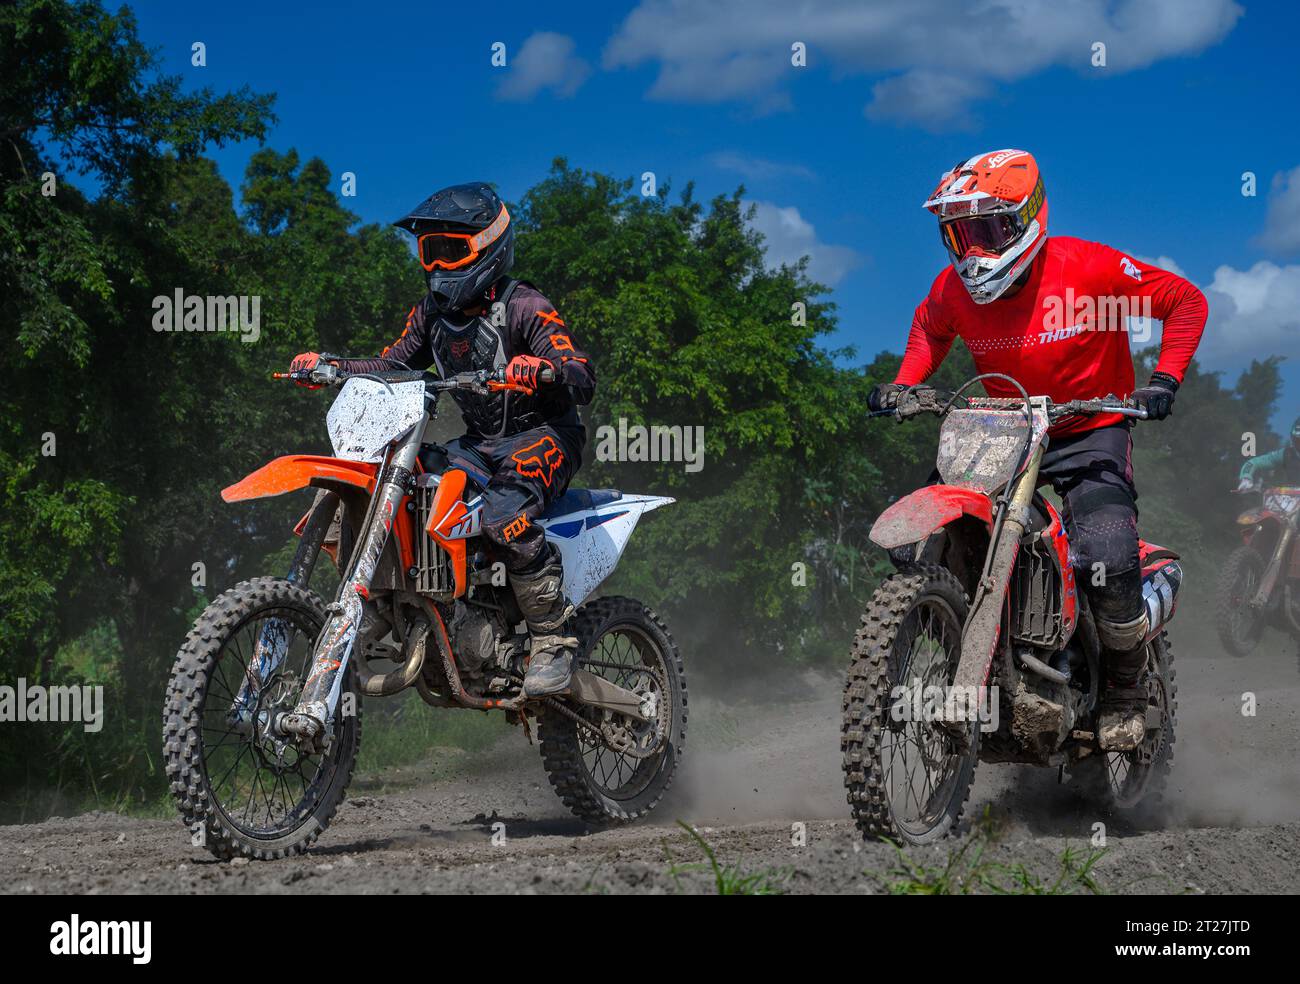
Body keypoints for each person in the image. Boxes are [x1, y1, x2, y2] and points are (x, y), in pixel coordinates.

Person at [867, 149, 1207, 751]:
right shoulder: (953, 289)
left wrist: (1164, 381)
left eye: (987, 229)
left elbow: (1184, 301)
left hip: (1089, 427)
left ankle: (1125, 693)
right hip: (1001, 426)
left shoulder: (1088, 268)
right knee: (928, 544)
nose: (972, 251)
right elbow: (929, 328)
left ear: (1027, 218)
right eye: (959, 234)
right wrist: (905, 383)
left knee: (1105, 552)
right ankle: (978, 664)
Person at [290, 182, 595, 697]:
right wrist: (332, 367)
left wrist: (542, 369)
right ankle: (386, 605)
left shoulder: (525, 305)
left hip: (544, 437)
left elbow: (581, 373)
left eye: (452, 250)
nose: (440, 264)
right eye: (431, 251)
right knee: (393, 485)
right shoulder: (431, 314)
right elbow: (391, 365)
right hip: (479, 443)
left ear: (488, 247)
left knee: (503, 514)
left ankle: (550, 639)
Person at [1238, 417, 1300, 490]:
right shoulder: (1286, 454)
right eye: (1298, 440)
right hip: (1291, 498)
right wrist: (1246, 478)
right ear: (1292, 438)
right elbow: (1252, 463)